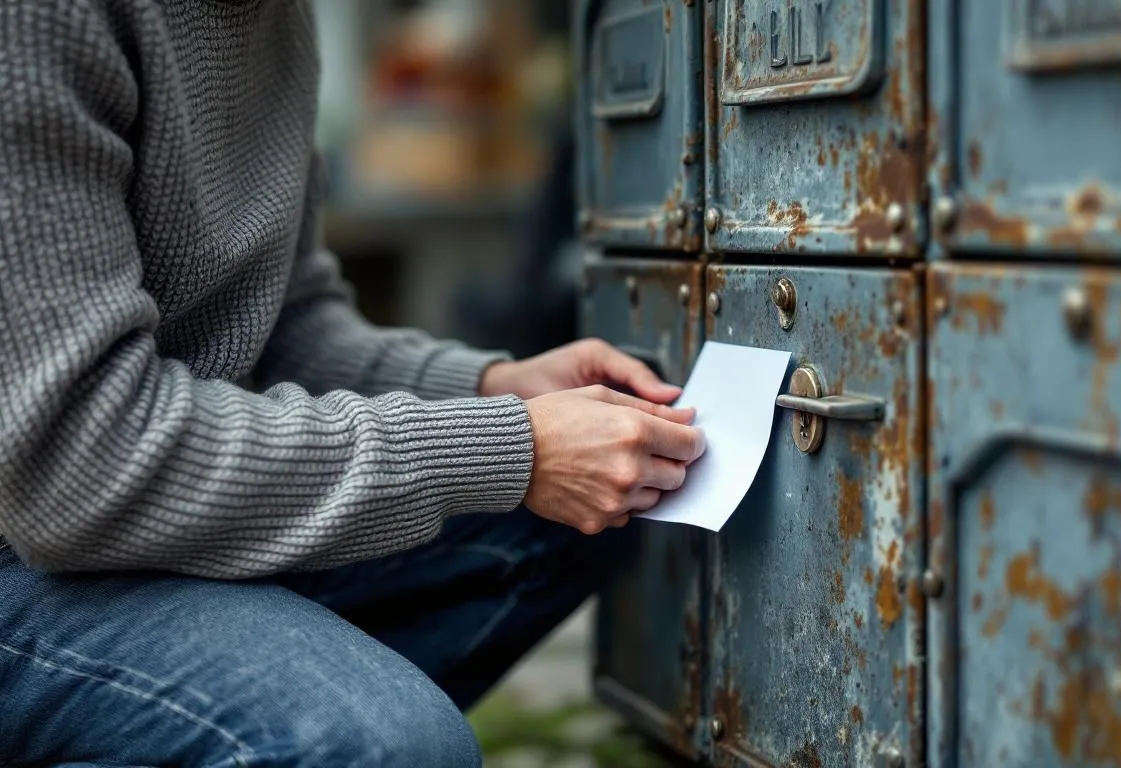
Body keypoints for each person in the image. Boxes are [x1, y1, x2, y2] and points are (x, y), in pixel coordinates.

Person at [0, 1, 704, 764]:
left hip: (138, 511)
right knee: (390, 747)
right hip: (31, 546)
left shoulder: (276, 19)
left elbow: (283, 328)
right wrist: (513, 449)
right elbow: (74, 467)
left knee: (606, 499)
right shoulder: (37, 22)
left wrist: (499, 388)